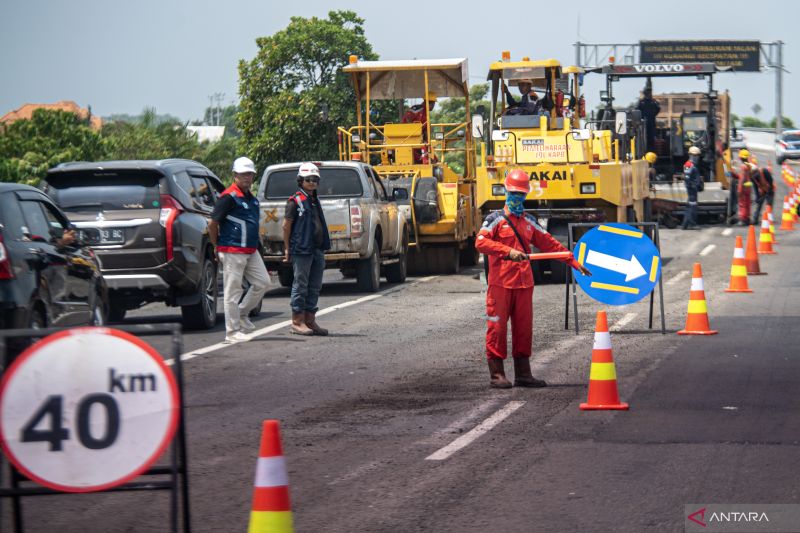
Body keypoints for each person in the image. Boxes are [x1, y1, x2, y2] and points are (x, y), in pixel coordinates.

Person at [475, 169, 592, 389]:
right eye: (514, 193)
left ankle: (523, 374)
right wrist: (507, 251)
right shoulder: (494, 220)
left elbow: (551, 244)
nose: (517, 198)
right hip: (500, 284)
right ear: (506, 192)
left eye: (521, 194)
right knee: (497, 328)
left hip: (524, 284)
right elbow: (480, 243)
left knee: (523, 329)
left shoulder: (529, 221)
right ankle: (496, 375)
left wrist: (574, 263)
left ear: (526, 195)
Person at [208, 157, 270, 343]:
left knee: (263, 282)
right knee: (232, 290)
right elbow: (213, 223)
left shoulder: (252, 199)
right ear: (234, 175)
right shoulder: (228, 197)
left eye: (249, 174)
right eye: (243, 174)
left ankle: (241, 313)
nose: (247, 177)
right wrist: (216, 245)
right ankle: (232, 332)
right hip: (232, 249)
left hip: (250, 250)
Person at [283, 162, 331, 336]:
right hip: (301, 249)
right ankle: (297, 321)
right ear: (300, 180)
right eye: (308, 179)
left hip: (316, 249)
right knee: (300, 285)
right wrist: (287, 249)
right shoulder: (294, 201)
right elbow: (286, 226)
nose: (312, 182)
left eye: (315, 179)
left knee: (315, 285)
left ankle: (310, 320)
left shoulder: (314, 199)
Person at [636, 83, 661, 153]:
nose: (648, 93)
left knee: (651, 138)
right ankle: (644, 152)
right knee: (643, 138)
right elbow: (637, 110)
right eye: (647, 92)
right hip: (643, 123)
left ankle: (651, 152)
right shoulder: (641, 102)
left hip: (651, 123)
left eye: (649, 92)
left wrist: (653, 115)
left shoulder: (653, 102)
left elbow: (658, 109)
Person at [682, 146, 703, 230]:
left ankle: (685, 224)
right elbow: (687, 178)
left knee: (689, 206)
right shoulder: (689, 165)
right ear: (690, 155)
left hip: (693, 188)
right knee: (692, 206)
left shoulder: (692, 165)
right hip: (691, 189)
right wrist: (693, 185)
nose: (696, 157)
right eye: (695, 155)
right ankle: (692, 224)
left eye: (697, 156)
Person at [733, 149, 755, 225]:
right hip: (748, 187)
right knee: (747, 203)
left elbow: (742, 179)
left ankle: (743, 219)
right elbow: (745, 176)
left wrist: (739, 190)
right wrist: (735, 175)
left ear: (741, 157)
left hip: (744, 188)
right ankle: (747, 219)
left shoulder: (743, 167)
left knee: (742, 204)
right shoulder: (748, 165)